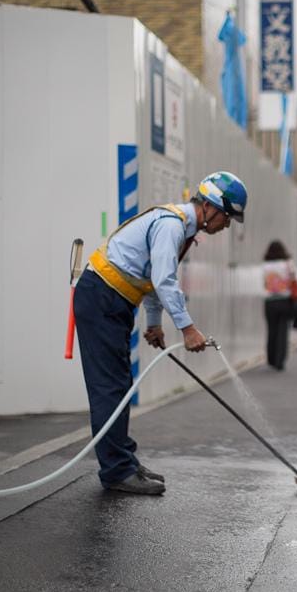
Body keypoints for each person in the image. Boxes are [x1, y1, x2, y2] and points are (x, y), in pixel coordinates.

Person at [74, 171, 247, 495]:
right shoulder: (172, 225)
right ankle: (116, 471)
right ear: (211, 207)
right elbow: (164, 280)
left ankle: (123, 460)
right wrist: (188, 328)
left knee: (120, 383)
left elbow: (153, 280)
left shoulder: (180, 227)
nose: (226, 226)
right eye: (227, 217)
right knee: (110, 387)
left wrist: (154, 323)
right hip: (102, 297)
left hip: (114, 300)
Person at [262, 240, 295, 370]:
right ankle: (280, 360)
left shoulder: (265, 265)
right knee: (283, 330)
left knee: (271, 329)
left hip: (269, 300)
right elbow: (293, 279)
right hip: (284, 299)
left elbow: (263, 282)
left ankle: (271, 359)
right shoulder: (287, 264)